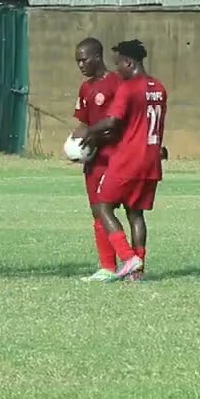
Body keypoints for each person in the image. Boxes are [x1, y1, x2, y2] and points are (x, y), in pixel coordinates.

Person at [81, 39, 167, 281]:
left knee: (102, 206)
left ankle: (128, 258)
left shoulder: (128, 88)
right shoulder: (159, 87)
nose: (117, 69)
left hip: (129, 159)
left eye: (119, 64)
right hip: (151, 159)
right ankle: (137, 271)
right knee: (135, 214)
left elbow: (112, 121)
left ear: (129, 63)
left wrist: (90, 132)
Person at [69, 38, 123, 281]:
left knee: (122, 210)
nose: (80, 65)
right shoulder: (85, 88)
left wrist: (97, 136)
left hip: (116, 155)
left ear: (97, 57)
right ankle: (107, 267)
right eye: (77, 61)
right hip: (94, 160)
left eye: (84, 60)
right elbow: (84, 123)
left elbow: (120, 122)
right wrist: (74, 145)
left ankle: (132, 261)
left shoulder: (116, 83)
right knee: (97, 211)